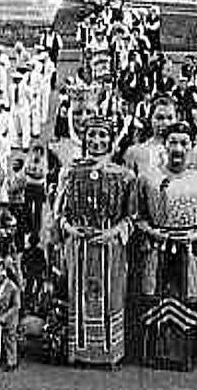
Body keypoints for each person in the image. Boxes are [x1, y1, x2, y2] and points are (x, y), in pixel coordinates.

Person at [131, 125, 197, 371]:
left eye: (184, 143)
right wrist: (151, 231)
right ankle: (152, 353)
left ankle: (184, 355)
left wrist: (196, 235)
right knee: (153, 294)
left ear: (191, 146)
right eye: (173, 142)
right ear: (165, 145)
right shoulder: (148, 177)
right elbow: (137, 215)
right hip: (157, 247)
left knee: (189, 297)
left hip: (189, 250)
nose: (178, 149)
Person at [53, 115, 136, 367]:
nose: (97, 140)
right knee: (79, 294)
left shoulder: (124, 175)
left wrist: (113, 232)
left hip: (109, 247)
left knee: (109, 295)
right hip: (78, 245)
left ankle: (109, 353)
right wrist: (69, 228)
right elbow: (59, 212)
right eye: (92, 134)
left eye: (102, 135)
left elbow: (132, 216)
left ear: (111, 140)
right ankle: (79, 350)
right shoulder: (69, 171)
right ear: (83, 137)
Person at [0, 259, 21, 374]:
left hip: (10, 318)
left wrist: (5, 316)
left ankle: (12, 362)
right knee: (2, 339)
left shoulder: (12, 287)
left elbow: (16, 306)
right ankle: (4, 358)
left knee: (10, 339)